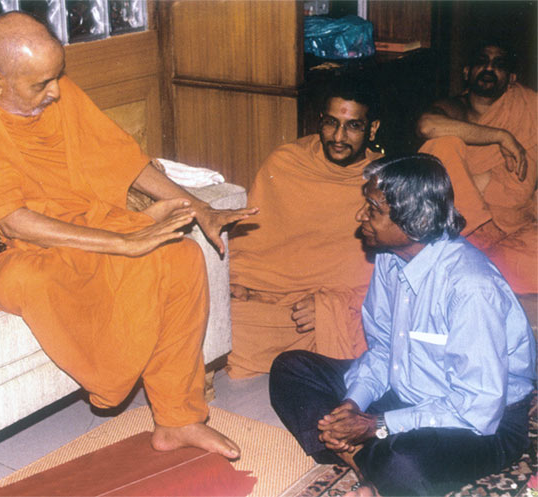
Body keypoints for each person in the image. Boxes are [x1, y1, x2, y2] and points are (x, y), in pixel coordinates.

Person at [0, 11, 259, 458]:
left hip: (77, 223)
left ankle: (179, 418)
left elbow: (119, 158)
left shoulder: (49, 91)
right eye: (42, 84)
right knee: (45, 281)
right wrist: (125, 243)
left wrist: (200, 206)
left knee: (177, 256)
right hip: (7, 251)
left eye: (57, 77)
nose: (56, 92)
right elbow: (12, 221)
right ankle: (114, 377)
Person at [270, 154, 536, 496]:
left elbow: (478, 406)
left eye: (373, 208)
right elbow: (383, 350)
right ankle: (367, 462)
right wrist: (352, 405)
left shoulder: (471, 287)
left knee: (406, 462)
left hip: (484, 421)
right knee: (291, 369)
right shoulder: (388, 258)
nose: (359, 216)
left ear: (415, 220)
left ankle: (377, 464)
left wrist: (378, 424)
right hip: (406, 392)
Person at [227, 78, 383, 378]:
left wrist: (328, 308)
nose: (338, 137)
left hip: (332, 305)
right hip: (271, 299)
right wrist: (238, 280)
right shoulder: (287, 162)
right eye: (330, 123)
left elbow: (388, 276)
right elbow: (252, 241)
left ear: (372, 129)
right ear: (319, 121)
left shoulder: (383, 181)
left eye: (353, 126)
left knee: (361, 330)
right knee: (211, 314)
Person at [417, 39, 537, 295]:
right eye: (482, 61)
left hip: (511, 228)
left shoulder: (528, 109)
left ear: (512, 77)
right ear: (467, 71)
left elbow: (521, 187)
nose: (489, 69)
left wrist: (472, 181)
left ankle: (472, 271)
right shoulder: (454, 108)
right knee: (441, 145)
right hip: (458, 230)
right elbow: (428, 125)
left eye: (499, 64)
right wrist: (501, 136)